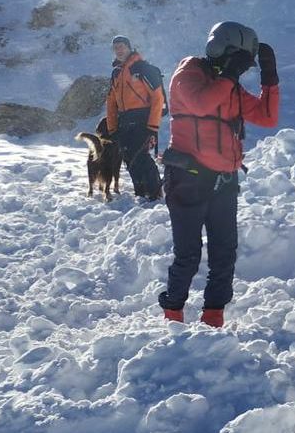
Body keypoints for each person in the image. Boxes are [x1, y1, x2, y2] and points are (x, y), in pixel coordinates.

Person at [157, 21, 279, 328]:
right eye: (241, 59)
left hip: (224, 180)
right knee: (188, 254)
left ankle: (213, 317)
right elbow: (201, 104)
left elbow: (267, 117)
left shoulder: (230, 86)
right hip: (188, 178)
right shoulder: (188, 73)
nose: (241, 67)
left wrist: (270, 77)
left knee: (225, 253)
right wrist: (228, 76)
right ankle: (172, 315)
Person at [104, 35, 167, 201]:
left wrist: (152, 127)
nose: (118, 50)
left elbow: (158, 98)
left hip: (143, 119)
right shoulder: (116, 73)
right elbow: (111, 102)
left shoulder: (141, 68)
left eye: (122, 46)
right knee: (128, 157)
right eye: (116, 47)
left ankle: (155, 193)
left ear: (129, 48)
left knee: (141, 156)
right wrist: (112, 129)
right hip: (124, 121)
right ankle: (140, 192)